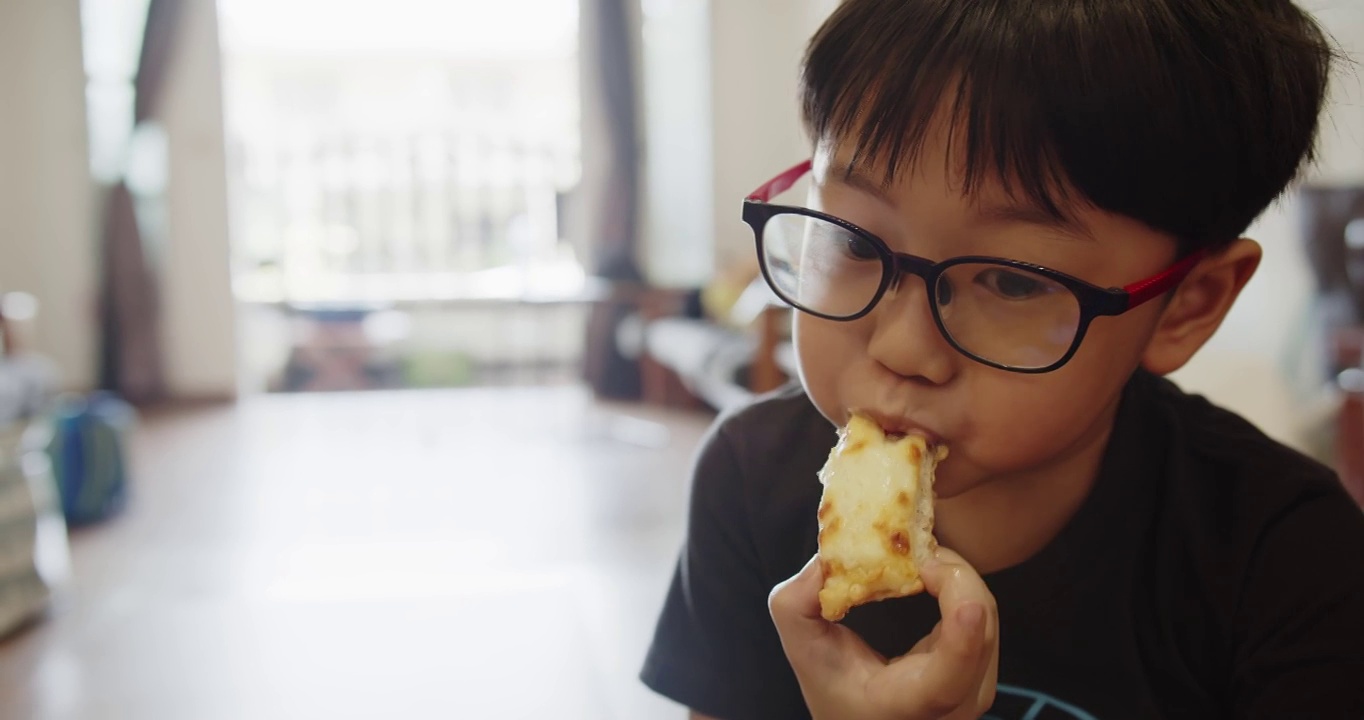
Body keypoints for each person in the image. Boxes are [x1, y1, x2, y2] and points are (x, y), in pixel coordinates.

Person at [640, 1, 1364, 718]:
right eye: (856, 242)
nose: (901, 348)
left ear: (1189, 305)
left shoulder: (1290, 561)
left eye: (1012, 281)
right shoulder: (748, 479)